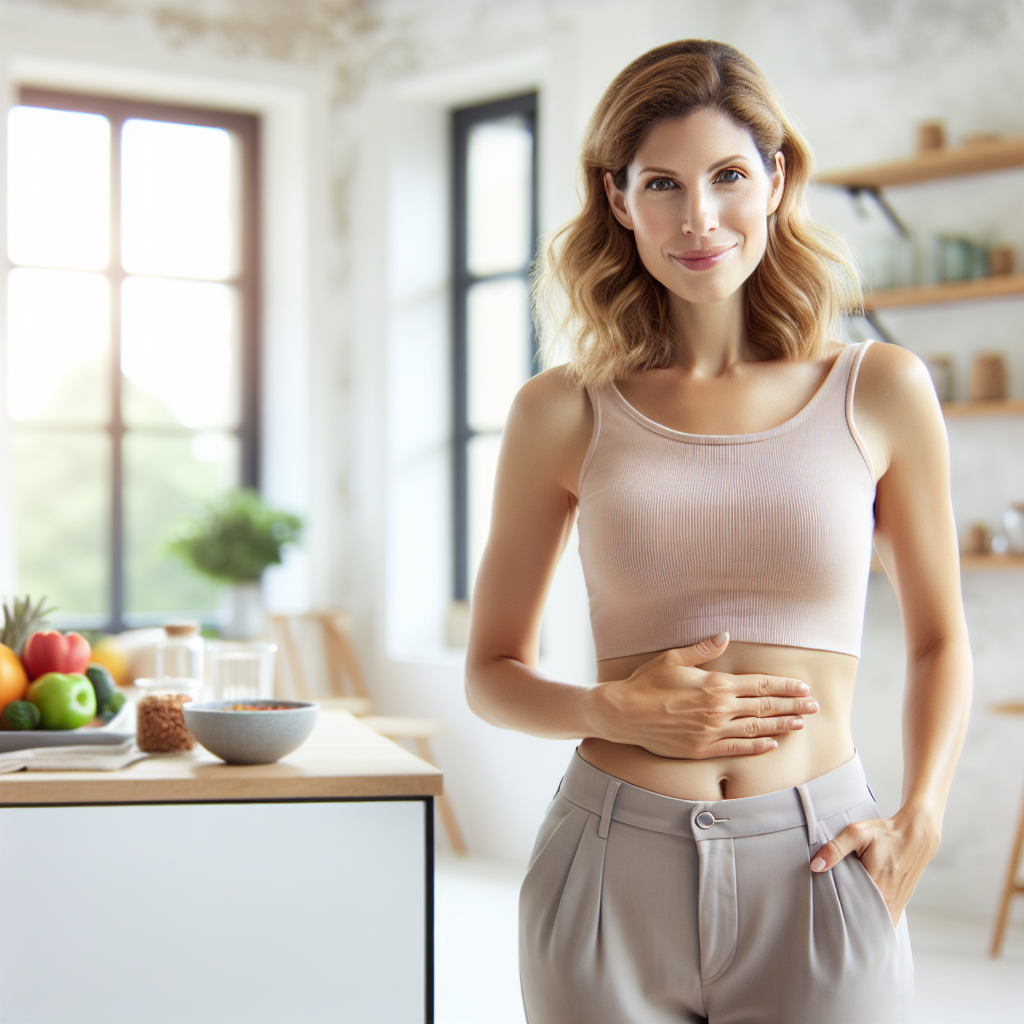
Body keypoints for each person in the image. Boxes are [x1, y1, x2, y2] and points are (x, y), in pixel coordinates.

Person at [464, 39, 972, 1024]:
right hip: (607, 866)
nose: (697, 219)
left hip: (820, 859)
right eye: (661, 183)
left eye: (728, 176)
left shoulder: (880, 389)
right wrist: (617, 711)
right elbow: (491, 671)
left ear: (777, 179)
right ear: (617, 199)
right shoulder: (560, 411)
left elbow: (938, 636)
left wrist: (923, 817)